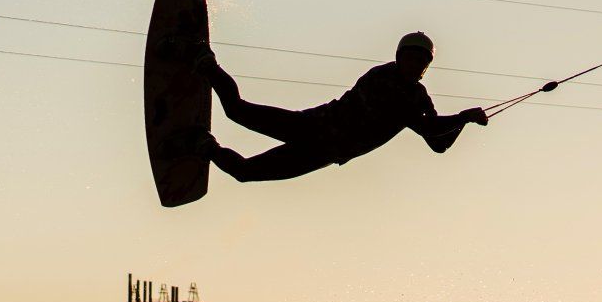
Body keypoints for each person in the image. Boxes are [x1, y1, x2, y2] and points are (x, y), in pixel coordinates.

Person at [198, 32, 487, 182]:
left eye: (422, 63)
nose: (416, 66)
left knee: (245, 172)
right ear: (399, 58)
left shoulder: (418, 98)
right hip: (313, 127)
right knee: (237, 110)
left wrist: (464, 122)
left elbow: (438, 144)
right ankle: (205, 62)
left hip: (324, 152)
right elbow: (428, 127)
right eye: (411, 59)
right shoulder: (384, 78)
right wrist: (463, 116)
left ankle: (204, 146)